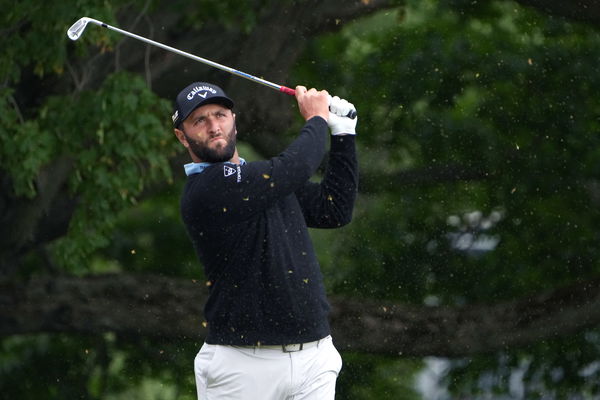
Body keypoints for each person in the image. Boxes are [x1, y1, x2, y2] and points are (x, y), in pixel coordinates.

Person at [171, 81, 358, 399]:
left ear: (234, 119)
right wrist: (316, 119)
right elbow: (295, 166)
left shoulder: (263, 180)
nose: (214, 126)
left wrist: (343, 136)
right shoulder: (205, 188)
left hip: (314, 357)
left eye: (220, 114)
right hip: (242, 366)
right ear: (182, 135)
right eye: (199, 120)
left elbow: (333, 209)